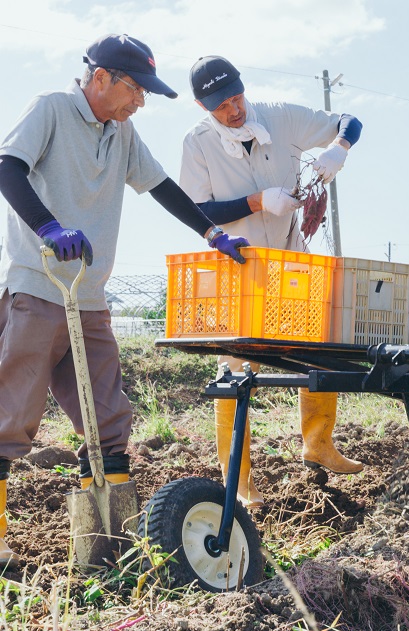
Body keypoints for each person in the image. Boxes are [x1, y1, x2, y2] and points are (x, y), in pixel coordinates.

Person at [0, 34, 248, 566]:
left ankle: (107, 542)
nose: (140, 103)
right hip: (37, 287)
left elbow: (160, 186)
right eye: (136, 90)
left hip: (88, 296)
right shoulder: (50, 110)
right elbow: (7, 167)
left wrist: (210, 233)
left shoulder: (123, 132)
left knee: (107, 417)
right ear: (101, 79)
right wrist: (48, 227)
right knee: (9, 415)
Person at [179, 55, 364, 508]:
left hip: (289, 260)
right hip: (236, 268)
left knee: (317, 351)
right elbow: (198, 211)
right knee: (236, 371)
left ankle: (319, 442)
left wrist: (338, 148)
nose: (234, 110)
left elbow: (350, 120)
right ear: (205, 107)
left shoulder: (281, 118)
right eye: (221, 105)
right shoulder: (198, 144)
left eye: (237, 97)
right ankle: (239, 480)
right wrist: (258, 201)